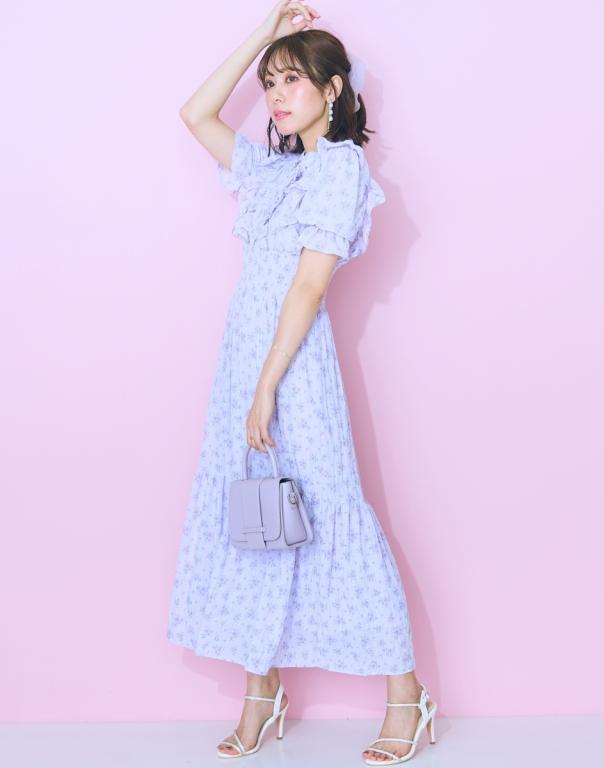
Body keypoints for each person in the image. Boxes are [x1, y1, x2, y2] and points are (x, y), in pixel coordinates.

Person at [166, 1, 437, 763]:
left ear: (333, 88)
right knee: (254, 520)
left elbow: (310, 286)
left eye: (293, 80)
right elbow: (195, 113)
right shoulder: (273, 170)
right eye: (271, 82)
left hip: (291, 370)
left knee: (332, 511)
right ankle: (262, 694)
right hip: (242, 367)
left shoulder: (340, 170)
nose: (278, 95)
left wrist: (267, 385)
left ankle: (407, 699)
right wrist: (265, 34)